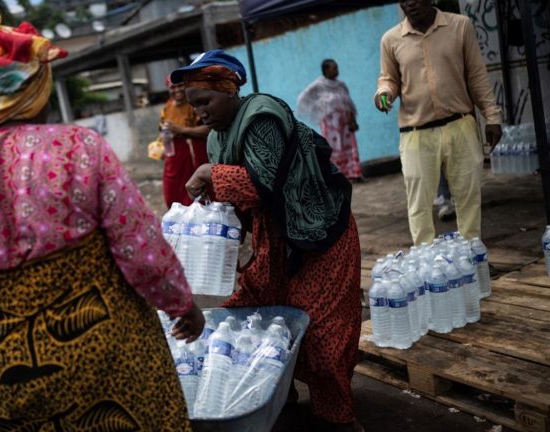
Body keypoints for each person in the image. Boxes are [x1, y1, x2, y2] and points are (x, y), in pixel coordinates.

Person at [0, 12, 204, 431]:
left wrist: (5, 307)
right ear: (35, 90)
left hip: (22, 374)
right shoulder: (81, 149)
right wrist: (182, 305)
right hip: (116, 359)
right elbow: (141, 253)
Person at [178, 50, 363, 432]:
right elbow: (237, 203)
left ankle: (339, 418)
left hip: (317, 233)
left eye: (205, 101)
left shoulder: (261, 117)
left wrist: (211, 174)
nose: (199, 112)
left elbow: (265, 184)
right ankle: (274, 396)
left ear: (229, 89)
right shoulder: (216, 138)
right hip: (274, 238)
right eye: (194, 105)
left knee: (323, 335)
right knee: (252, 322)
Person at [374, 0, 502, 244]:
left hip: (460, 125)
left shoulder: (459, 26)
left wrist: (492, 116)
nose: (409, 3)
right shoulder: (390, 39)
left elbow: (476, 75)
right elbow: (388, 79)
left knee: (468, 199)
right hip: (416, 133)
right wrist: (384, 93)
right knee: (419, 206)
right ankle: (427, 265)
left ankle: (472, 258)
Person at [297, 59, 364, 181]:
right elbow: (303, 97)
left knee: (349, 147)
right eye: (334, 68)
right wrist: (319, 109)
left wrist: (352, 119)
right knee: (333, 148)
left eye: (337, 67)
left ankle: (353, 173)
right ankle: (337, 175)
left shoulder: (341, 85)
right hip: (330, 126)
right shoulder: (319, 85)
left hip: (345, 123)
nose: (337, 70)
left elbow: (348, 103)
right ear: (326, 70)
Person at [159, 77, 210, 207]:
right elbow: (163, 130)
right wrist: (161, 144)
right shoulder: (167, 107)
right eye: (173, 87)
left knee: (197, 193)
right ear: (168, 89)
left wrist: (181, 130)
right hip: (174, 158)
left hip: (194, 154)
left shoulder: (194, 103)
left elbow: (208, 129)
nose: (177, 90)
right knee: (172, 193)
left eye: (180, 85)